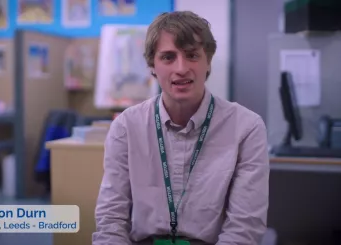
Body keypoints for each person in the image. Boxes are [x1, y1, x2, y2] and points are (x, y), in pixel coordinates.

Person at [93, 11, 270, 245]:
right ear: (152, 66)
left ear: (208, 61)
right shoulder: (126, 126)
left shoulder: (246, 128)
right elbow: (111, 219)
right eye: (168, 57)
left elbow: (244, 228)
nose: (181, 68)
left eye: (192, 55)